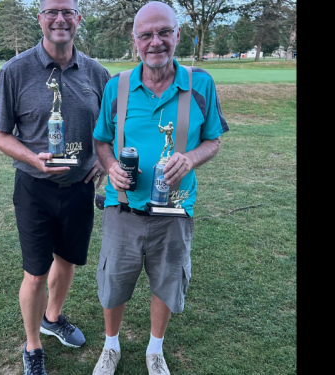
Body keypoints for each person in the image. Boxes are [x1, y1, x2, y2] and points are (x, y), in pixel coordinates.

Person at [91, 2, 229, 374]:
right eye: (146, 35)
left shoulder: (200, 83)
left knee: (167, 282)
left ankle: (155, 349)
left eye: (164, 32)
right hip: (123, 210)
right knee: (114, 283)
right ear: (134, 40)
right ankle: (111, 346)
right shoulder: (116, 86)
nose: (156, 42)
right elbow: (102, 140)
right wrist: (111, 166)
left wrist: (192, 158)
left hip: (175, 211)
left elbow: (213, 140)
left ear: (177, 35)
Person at [0, 1, 111, 374]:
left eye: (68, 11)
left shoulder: (97, 73)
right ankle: (33, 345)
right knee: (36, 272)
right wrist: (31, 158)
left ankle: (52, 317)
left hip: (78, 187)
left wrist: (102, 164)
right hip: (34, 188)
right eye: (52, 11)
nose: (60, 19)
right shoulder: (15, 71)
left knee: (68, 259)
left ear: (78, 19)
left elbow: (109, 130)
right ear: (40, 18)